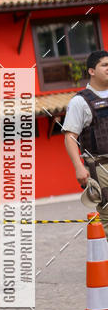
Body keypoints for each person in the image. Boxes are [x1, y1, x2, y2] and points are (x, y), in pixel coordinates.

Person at [64, 49, 108, 237]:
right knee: (107, 215)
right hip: (100, 166)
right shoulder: (80, 102)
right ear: (91, 71)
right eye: (104, 65)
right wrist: (78, 167)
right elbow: (70, 137)